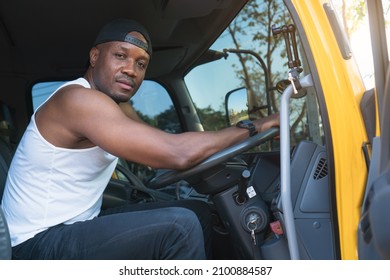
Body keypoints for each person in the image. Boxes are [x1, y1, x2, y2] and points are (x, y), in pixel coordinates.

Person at [1, 18, 279, 260]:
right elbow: (177, 153)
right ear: (95, 56)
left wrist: (191, 151)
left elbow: (165, 145)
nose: (131, 70)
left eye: (141, 63)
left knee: (198, 212)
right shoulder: (77, 100)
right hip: (34, 246)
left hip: (72, 226)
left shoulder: (113, 106)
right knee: (180, 228)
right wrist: (256, 126)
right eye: (120, 56)